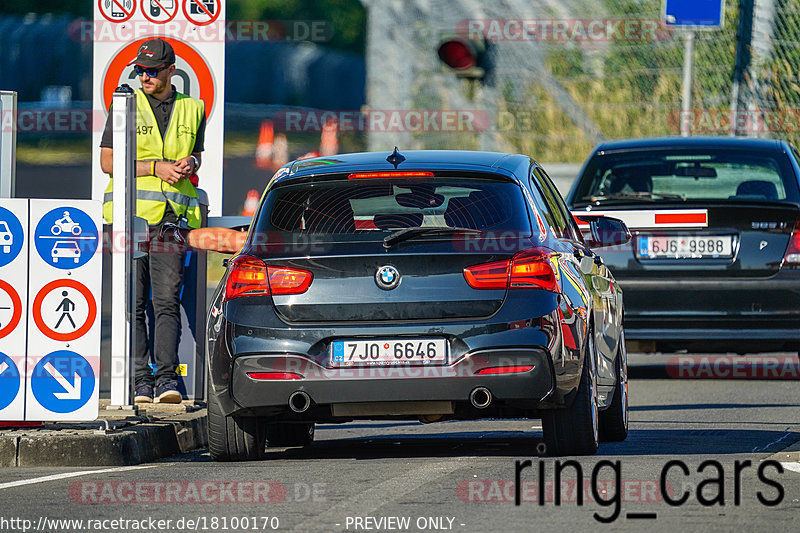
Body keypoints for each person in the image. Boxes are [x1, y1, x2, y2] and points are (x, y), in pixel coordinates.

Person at [100, 38, 206, 404]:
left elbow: (196, 156)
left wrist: (191, 164)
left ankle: (167, 381)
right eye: (140, 70)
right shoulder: (124, 106)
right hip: (129, 220)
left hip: (172, 221)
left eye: (152, 71)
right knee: (132, 305)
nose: (144, 76)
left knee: (166, 301)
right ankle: (139, 381)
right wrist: (155, 168)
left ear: (170, 70)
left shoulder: (193, 109)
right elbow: (109, 163)